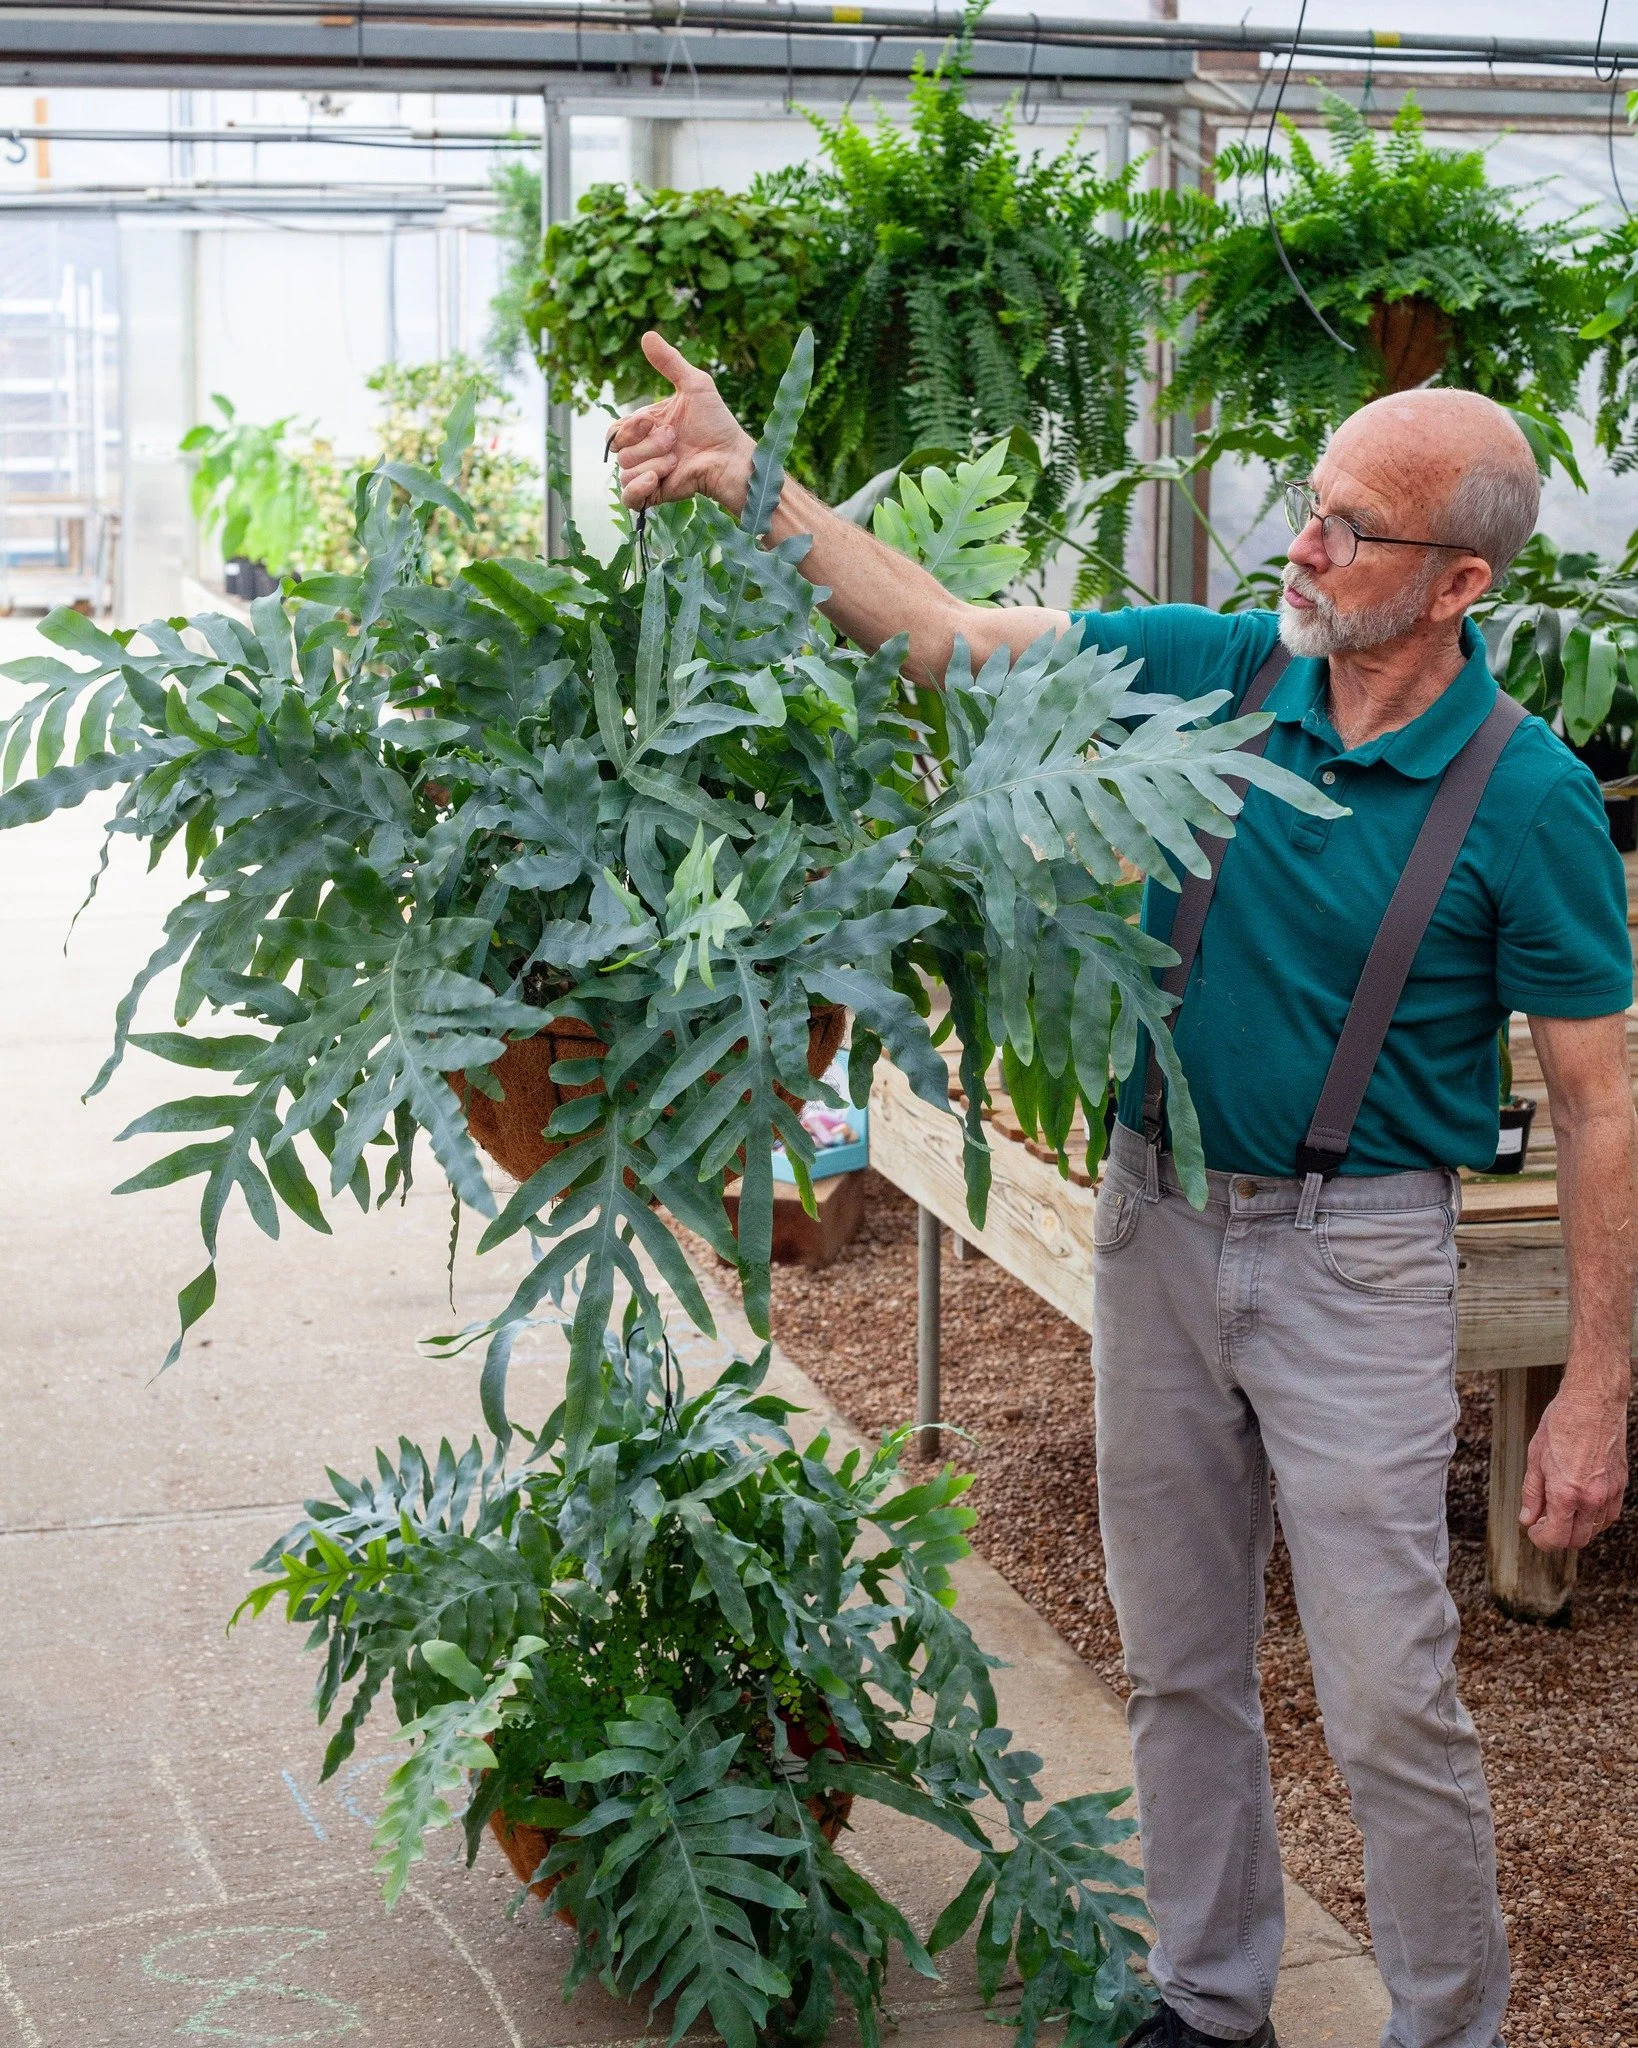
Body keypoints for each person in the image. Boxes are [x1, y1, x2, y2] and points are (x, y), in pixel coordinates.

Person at [611, 334, 1636, 2048]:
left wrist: (1598, 1388)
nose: (1298, 551)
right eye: (1305, 512)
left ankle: (1446, 2031)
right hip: (1155, 1221)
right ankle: (1209, 1997)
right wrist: (742, 475)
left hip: (1362, 1266)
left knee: (1389, 1695)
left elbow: (1604, 1110)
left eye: (1346, 533)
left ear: (1460, 580)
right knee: (1175, 1660)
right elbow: (946, 639)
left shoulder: (1521, 798)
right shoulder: (1210, 670)